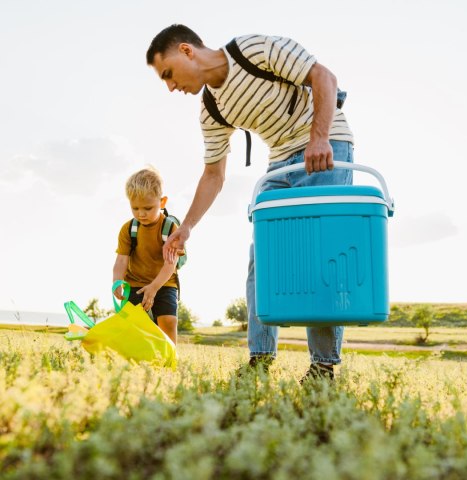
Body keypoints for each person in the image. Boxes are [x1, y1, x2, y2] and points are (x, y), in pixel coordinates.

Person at [146, 24, 354, 380]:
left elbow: (324, 77)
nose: (170, 86)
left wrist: (318, 139)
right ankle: (260, 359)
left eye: (168, 74)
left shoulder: (252, 50)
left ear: (186, 51)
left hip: (326, 148)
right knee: (264, 260)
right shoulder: (210, 109)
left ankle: (323, 365)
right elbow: (213, 174)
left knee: (320, 258)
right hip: (279, 165)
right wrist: (186, 227)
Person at [112, 166, 180, 344]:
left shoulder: (170, 229)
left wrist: (154, 287)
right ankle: (134, 358)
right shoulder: (128, 229)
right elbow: (121, 260)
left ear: (162, 202)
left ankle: (169, 360)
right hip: (135, 282)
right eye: (135, 208)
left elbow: (170, 264)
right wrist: (117, 282)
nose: (141, 213)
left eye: (148, 208)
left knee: (168, 321)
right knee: (132, 324)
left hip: (164, 282)